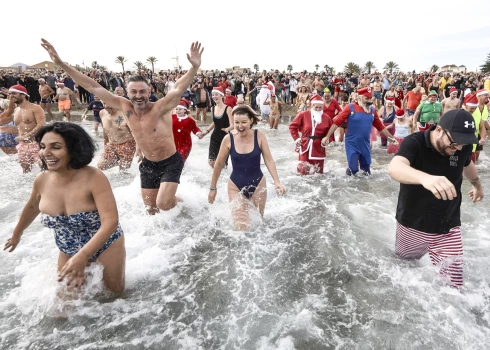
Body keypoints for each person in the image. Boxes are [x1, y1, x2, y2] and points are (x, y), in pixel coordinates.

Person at [41, 39, 204, 214]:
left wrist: (193, 68)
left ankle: (184, 205)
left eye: (143, 91)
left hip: (170, 162)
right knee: (151, 209)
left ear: (149, 92)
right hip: (148, 163)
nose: (138, 96)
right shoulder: (124, 106)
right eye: (134, 92)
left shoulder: (161, 108)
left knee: (163, 204)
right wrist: (61, 63)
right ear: (127, 92)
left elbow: (178, 88)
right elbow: (91, 85)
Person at [4, 122, 126, 293]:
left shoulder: (94, 177)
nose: (46, 153)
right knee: (62, 309)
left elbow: (111, 222)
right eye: (42, 146)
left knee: (114, 296)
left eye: (55, 147)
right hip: (67, 248)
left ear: (73, 149)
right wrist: (17, 234)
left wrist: (83, 256)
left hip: (106, 245)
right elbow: (32, 206)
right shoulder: (41, 180)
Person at [387, 109, 483, 288]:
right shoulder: (414, 142)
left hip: (449, 225)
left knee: (453, 285)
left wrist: (477, 185)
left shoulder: (461, 144)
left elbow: (467, 164)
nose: (459, 148)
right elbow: (394, 167)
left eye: (463, 144)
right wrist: (425, 178)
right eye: (454, 143)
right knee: (404, 268)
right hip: (413, 224)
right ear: (439, 130)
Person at [208, 105, 286, 230]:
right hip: (235, 186)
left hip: (258, 184)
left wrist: (277, 182)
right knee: (241, 227)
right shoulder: (228, 139)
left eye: (244, 122)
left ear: (251, 120)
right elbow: (218, 164)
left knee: (258, 224)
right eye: (236, 122)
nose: (240, 126)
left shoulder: (259, 135)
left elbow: (268, 159)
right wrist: (213, 188)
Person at [322, 87, 398, 176]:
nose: (369, 101)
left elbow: (381, 127)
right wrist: (327, 136)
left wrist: (392, 138)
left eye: (370, 98)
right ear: (359, 98)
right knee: (353, 169)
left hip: (365, 144)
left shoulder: (372, 110)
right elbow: (336, 123)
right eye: (367, 98)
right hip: (352, 143)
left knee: (366, 171)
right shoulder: (350, 108)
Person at [289, 94, 334, 175]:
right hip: (305, 146)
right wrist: (297, 139)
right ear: (311, 105)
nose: (318, 109)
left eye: (320, 107)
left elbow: (330, 134)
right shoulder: (303, 115)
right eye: (316, 107)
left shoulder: (326, 118)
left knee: (319, 174)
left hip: (319, 148)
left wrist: (327, 140)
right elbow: (292, 127)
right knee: (302, 172)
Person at [9, 84, 46, 173]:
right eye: (10, 94)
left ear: (23, 95)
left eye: (14, 93)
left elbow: (41, 125)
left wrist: (25, 136)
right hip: (23, 145)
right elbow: (19, 127)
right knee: (25, 171)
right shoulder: (16, 110)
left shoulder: (35, 108)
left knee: (45, 169)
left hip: (37, 143)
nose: (11, 96)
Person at [197, 87, 233, 168]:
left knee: (223, 165)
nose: (214, 96)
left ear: (221, 96)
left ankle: (224, 180)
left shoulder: (228, 109)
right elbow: (215, 122)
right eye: (213, 95)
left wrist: (227, 129)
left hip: (225, 138)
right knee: (212, 162)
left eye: (216, 94)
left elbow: (232, 125)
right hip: (214, 137)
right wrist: (206, 132)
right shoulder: (213, 108)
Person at [98, 102, 137, 172]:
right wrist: (105, 147)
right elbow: (105, 131)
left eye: (108, 104)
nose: (106, 106)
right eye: (104, 103)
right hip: (111, 145)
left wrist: (139, 149)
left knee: (123, 171)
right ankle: (117, 161)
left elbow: (135, 132)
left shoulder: (125, 114)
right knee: (101, 166)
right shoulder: (102, 113)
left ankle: (122, 162)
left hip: (127, 145)